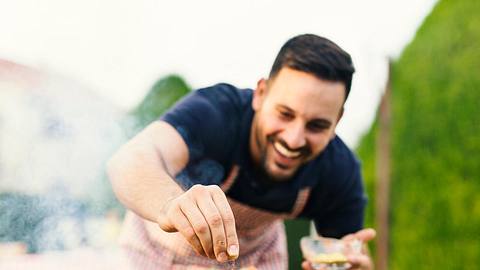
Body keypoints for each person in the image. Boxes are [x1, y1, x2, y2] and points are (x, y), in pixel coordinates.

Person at [107, 33, 376, 270]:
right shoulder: (217, 113)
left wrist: (354, 268)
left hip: (254, 260)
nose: (294, 140)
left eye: (317, 126)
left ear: (337, 121)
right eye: (284, 114)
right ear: (261, 94)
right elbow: (129, 161)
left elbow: (344, 256)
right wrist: (170, 205)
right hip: (156, 255)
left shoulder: (339, 169)